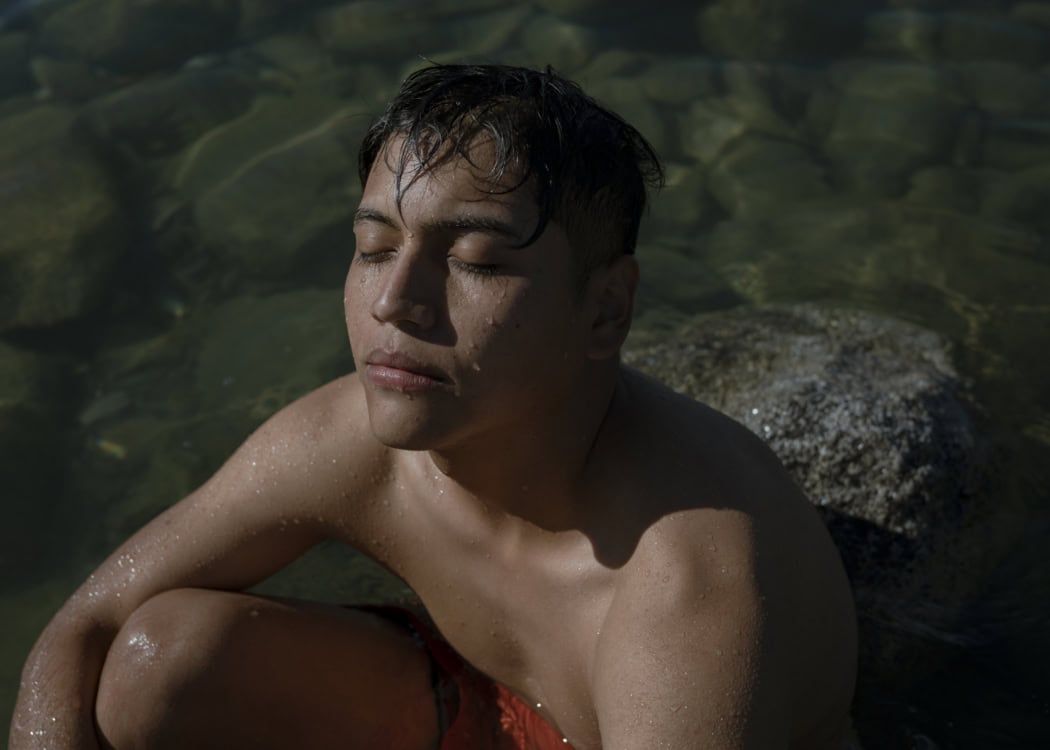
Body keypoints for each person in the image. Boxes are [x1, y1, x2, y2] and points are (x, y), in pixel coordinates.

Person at [11, 63, 858, 750]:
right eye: (375, 247)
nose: (395, 302)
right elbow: (83, 626)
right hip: (478, 710)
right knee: (159, 660)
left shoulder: (681, 586)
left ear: (606, 309)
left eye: (479, 261)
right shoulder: (360, 446)